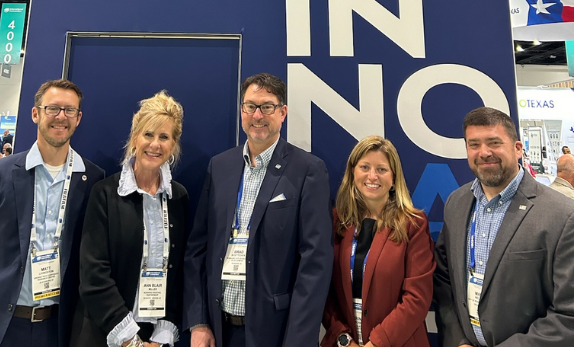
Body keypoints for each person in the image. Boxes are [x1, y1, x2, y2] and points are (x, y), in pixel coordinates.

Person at [183, 73, 333, 347]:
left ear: (282, 112)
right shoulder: (220, 166)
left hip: (275, 333)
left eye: (267, 106)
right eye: (250, 106)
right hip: (218, 330)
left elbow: (315, 263)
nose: (257, 115)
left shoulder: (307, 170)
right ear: (242, 110)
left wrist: (298, 341)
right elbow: (198, 249)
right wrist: (199, 321)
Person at [0, 79, 105, 347]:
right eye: (53, 108)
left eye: (69, 110)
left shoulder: (92, 179)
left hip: (56, 328)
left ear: (78, 118)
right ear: (36, 114)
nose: (61, 117)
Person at [434, 107, 574, 347]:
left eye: (494, 142)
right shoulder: (456, 204)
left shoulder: (562, 215)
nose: (484, 152)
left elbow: (568, 314)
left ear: (517, 148)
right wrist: (458, 340)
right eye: (474, 144)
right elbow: (444, 280)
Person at [71, 91, 188, 347]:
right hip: (105, 335)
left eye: (164, 137)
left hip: (156, 338)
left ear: (174, 144)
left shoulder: (179, 198)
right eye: (148, 134)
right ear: (135, 138)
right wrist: (130, 341)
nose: (155, 145)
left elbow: (179, 273)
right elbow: (94, 274)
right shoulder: (104, 194)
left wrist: (160, 338)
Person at [322, 136, 435, 347]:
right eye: (365, 167)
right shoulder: (335, 221)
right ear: (353, 172)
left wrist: (377, 343)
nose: (372, 176)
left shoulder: (413, 224)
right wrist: (343, 339)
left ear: (393, 178)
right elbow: (323, 291)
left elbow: (417, 298)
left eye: (381, 169)